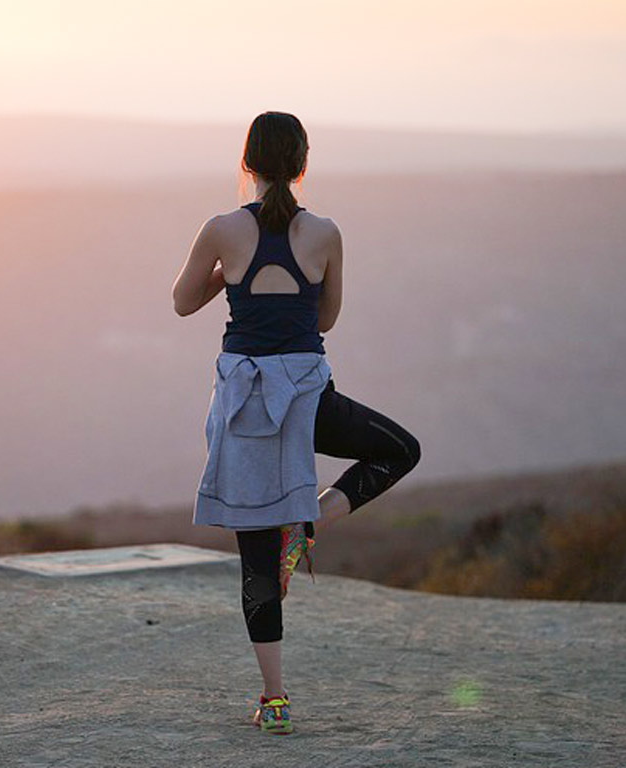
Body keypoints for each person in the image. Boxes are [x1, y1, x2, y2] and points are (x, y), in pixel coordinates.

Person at [171, 111, 421, 735]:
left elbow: (182, 302)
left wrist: (230, 273)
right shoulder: (326, 232)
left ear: (247, 162)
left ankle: (275, 699)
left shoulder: (221, 229)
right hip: (307, 399)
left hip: (245, 406)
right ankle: (310, 523)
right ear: (303, 163)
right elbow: (325, 319)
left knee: (256, 558)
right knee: (398, 450)